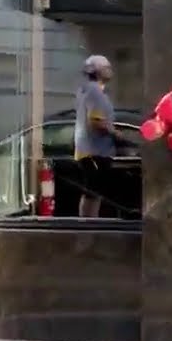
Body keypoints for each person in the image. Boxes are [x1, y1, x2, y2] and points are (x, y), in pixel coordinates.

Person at [74, 54, 116, 218]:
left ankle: (89, 222)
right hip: (95, 150)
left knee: (93, 190)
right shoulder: (95, 91)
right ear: (97, 71)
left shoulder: (86, 90)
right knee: (92, 191)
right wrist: (116, 133)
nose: (110, 70)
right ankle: (88, 224)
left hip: (88, 149)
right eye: (106, 68)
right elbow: (96, 121)